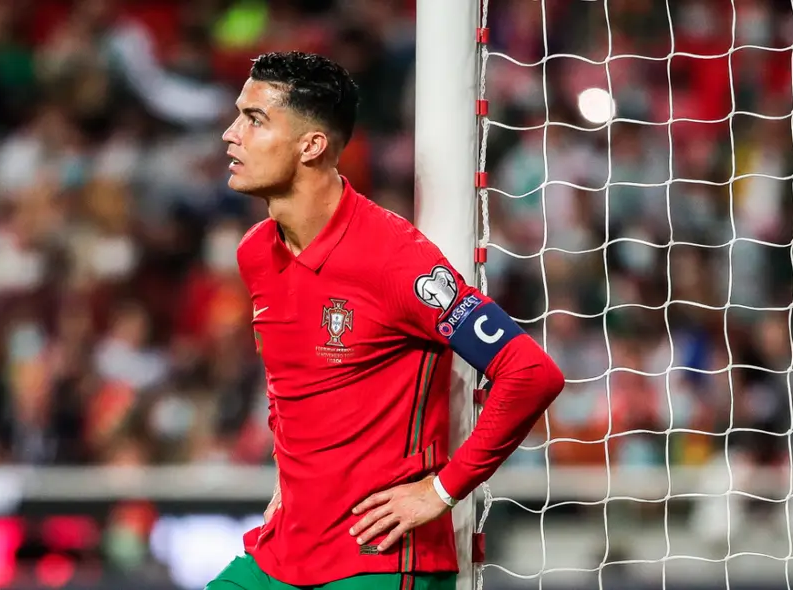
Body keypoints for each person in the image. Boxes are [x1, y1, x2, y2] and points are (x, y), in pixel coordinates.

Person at [208, 51, 566, 590]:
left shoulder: (395, 259)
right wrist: (291, 480)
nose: (230, 134)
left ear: (311, 145)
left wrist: (441, 490)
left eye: (254, 120)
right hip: (284, 552)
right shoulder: (257, 253)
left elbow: (531, 373)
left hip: (378, 559)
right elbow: (292, 386)